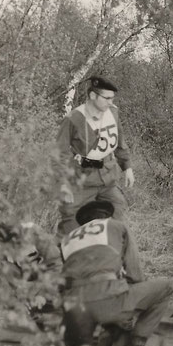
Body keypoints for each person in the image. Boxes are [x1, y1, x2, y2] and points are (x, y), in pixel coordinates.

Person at [60, 200, 173, 346]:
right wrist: (130, 312)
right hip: (107, 300)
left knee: (94, 305)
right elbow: (134, 273)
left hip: (74, 311)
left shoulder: (66, 240)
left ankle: (82, 343)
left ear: (83, 222)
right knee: (166, 287)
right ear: (107, 216)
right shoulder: (115, 226)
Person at [56, 76, 135, 237]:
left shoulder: (112, 112)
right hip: (81, 181)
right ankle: (59, 257)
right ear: (93, 96)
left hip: (107, 178)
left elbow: (119, 141)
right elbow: (59, 154)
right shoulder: (73, 119)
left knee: (118, 209)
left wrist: (127, 167)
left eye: (112, 98)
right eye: (106, 98)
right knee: (71, 222)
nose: (110, 102)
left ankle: (106, 253)